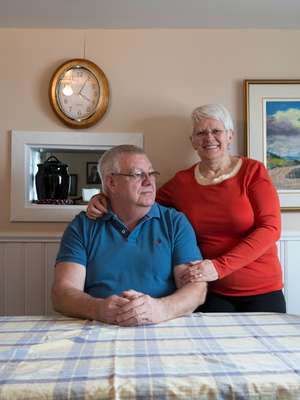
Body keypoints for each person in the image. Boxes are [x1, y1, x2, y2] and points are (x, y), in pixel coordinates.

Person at [87, 104, 286, 313]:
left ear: (230, 136)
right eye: (201, 133)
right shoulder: (181, 183)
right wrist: (104, 198)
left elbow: (270, 229)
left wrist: (219, 267)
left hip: (262, 289)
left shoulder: (253, 171)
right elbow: (140, 198)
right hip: (211, 292)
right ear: (192, 142)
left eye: (216, 131)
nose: (209, 138)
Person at [52, 145, 207, 326]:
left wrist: (161, 309)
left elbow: (197, 289)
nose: (149, 182)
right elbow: (62, 293)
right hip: (99, 327)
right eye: (137, 174)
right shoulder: (83, 226)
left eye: (151, 173)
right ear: (111, 183)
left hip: (163, 325)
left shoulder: (175, 222)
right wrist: (99, 308)